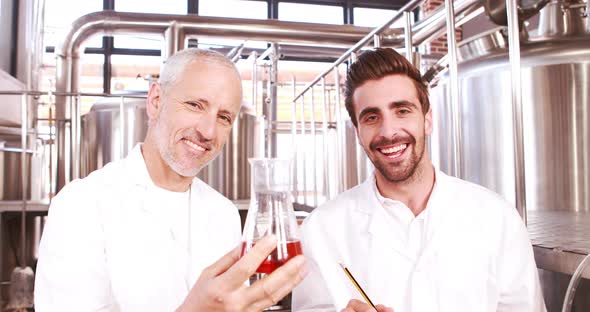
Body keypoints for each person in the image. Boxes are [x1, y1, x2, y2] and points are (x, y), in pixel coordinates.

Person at [35, 48, 307, 311]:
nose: (208, 131)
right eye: (194, 105)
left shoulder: (224, 213)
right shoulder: (80, 205)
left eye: (224, 117)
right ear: (155, 101)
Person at [291, 48, 546, 312]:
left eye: (402, 111)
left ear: (427, 120)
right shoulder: (322, 229)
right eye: (371, 117)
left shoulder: (497, 218)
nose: (388, 132)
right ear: (357, 132)